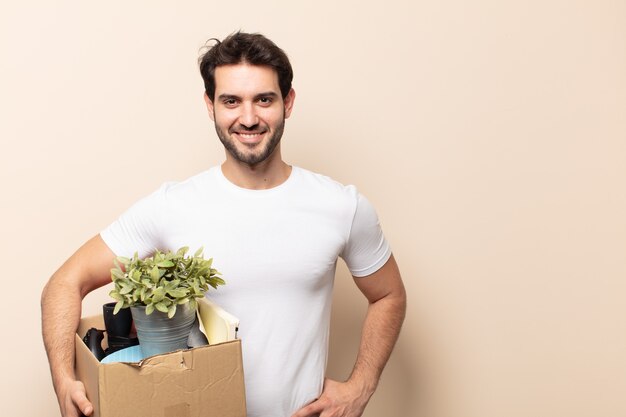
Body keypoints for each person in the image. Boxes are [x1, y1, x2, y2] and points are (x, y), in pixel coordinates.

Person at [41, 31, 406, 417]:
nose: (248, 118)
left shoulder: (340, 205)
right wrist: (64, 380)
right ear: (210, 105)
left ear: (289, 102)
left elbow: (388, 295)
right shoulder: (172, 206)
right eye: (231, 101)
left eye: (264, 99)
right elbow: (64, 283)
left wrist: (360, 387)